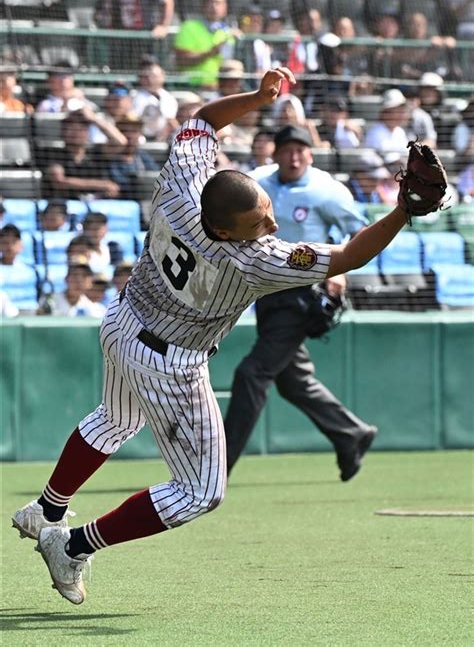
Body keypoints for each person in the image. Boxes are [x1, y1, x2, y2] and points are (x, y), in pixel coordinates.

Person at [12, 67, 414, 605]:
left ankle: (47, 508)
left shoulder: (182, 186)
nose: (270, 228)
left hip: (124, 320)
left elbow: (200, 119)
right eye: (259, 223)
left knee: (116, 418)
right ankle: (75, 544)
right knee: (202, 491)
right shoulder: (249, 259)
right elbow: (348, 255)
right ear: (226, 230)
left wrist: (257, 97)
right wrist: (404, 210)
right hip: (170, 361)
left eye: (268, 216)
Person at [224, 123, 376, 477]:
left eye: (300, 150)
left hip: (302, 292)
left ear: (311, 153)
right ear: (274, 153)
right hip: (266, 291)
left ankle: (216, 467)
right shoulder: (258, 180)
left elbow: (360, 229)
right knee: (293, 381)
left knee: (252, 373)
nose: (294, 157)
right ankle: (351, 433)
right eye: (286, 150)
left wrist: (341, 270)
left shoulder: (327, 189)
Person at [43, 109, 124, 200]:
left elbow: (120, 142)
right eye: (70, 127)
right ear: (62, 132)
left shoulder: (96, 152)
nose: (75, 132)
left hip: (98, 205)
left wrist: (94, 119)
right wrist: (102, 185)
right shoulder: (52, 154)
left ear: (88, 133)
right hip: (66, 204)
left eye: (81, 128)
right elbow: (59, 181)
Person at [174, 0, 239, 89]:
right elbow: (181, 60)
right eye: (210, 2)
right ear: (202, 5)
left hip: (221, 90)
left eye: (218, 3)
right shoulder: (189, 27)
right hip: (192, 87)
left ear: (225, 7)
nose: (214, 6)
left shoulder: (229, 32)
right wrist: (209, 53)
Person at [106, 113, 159, 200]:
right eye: (124, 131)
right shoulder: (107, 157)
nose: (129, 135)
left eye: (134, 131)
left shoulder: (143, 156)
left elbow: (155, 178)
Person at [131, 56, 178, 141]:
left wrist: (161, 138)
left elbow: (171, 121)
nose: (150, 79)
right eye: (146, 76)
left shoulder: (169, 98)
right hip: (138, 137)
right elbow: (133, 120)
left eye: (154, 76)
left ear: (163, 76)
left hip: (163, 138)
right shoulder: (133, 96)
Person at [37, 261, 106, 318]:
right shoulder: (49, 301)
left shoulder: (93, 310)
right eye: (74, 275)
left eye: (84, 276)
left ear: (90, 283)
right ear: (66, 279)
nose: (79, 281)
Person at [364, 89, 410, 155]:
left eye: (402, 110)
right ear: (385, 112)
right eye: (398, 111)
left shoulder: (399, 131)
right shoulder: (375, 133)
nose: (402, 115)